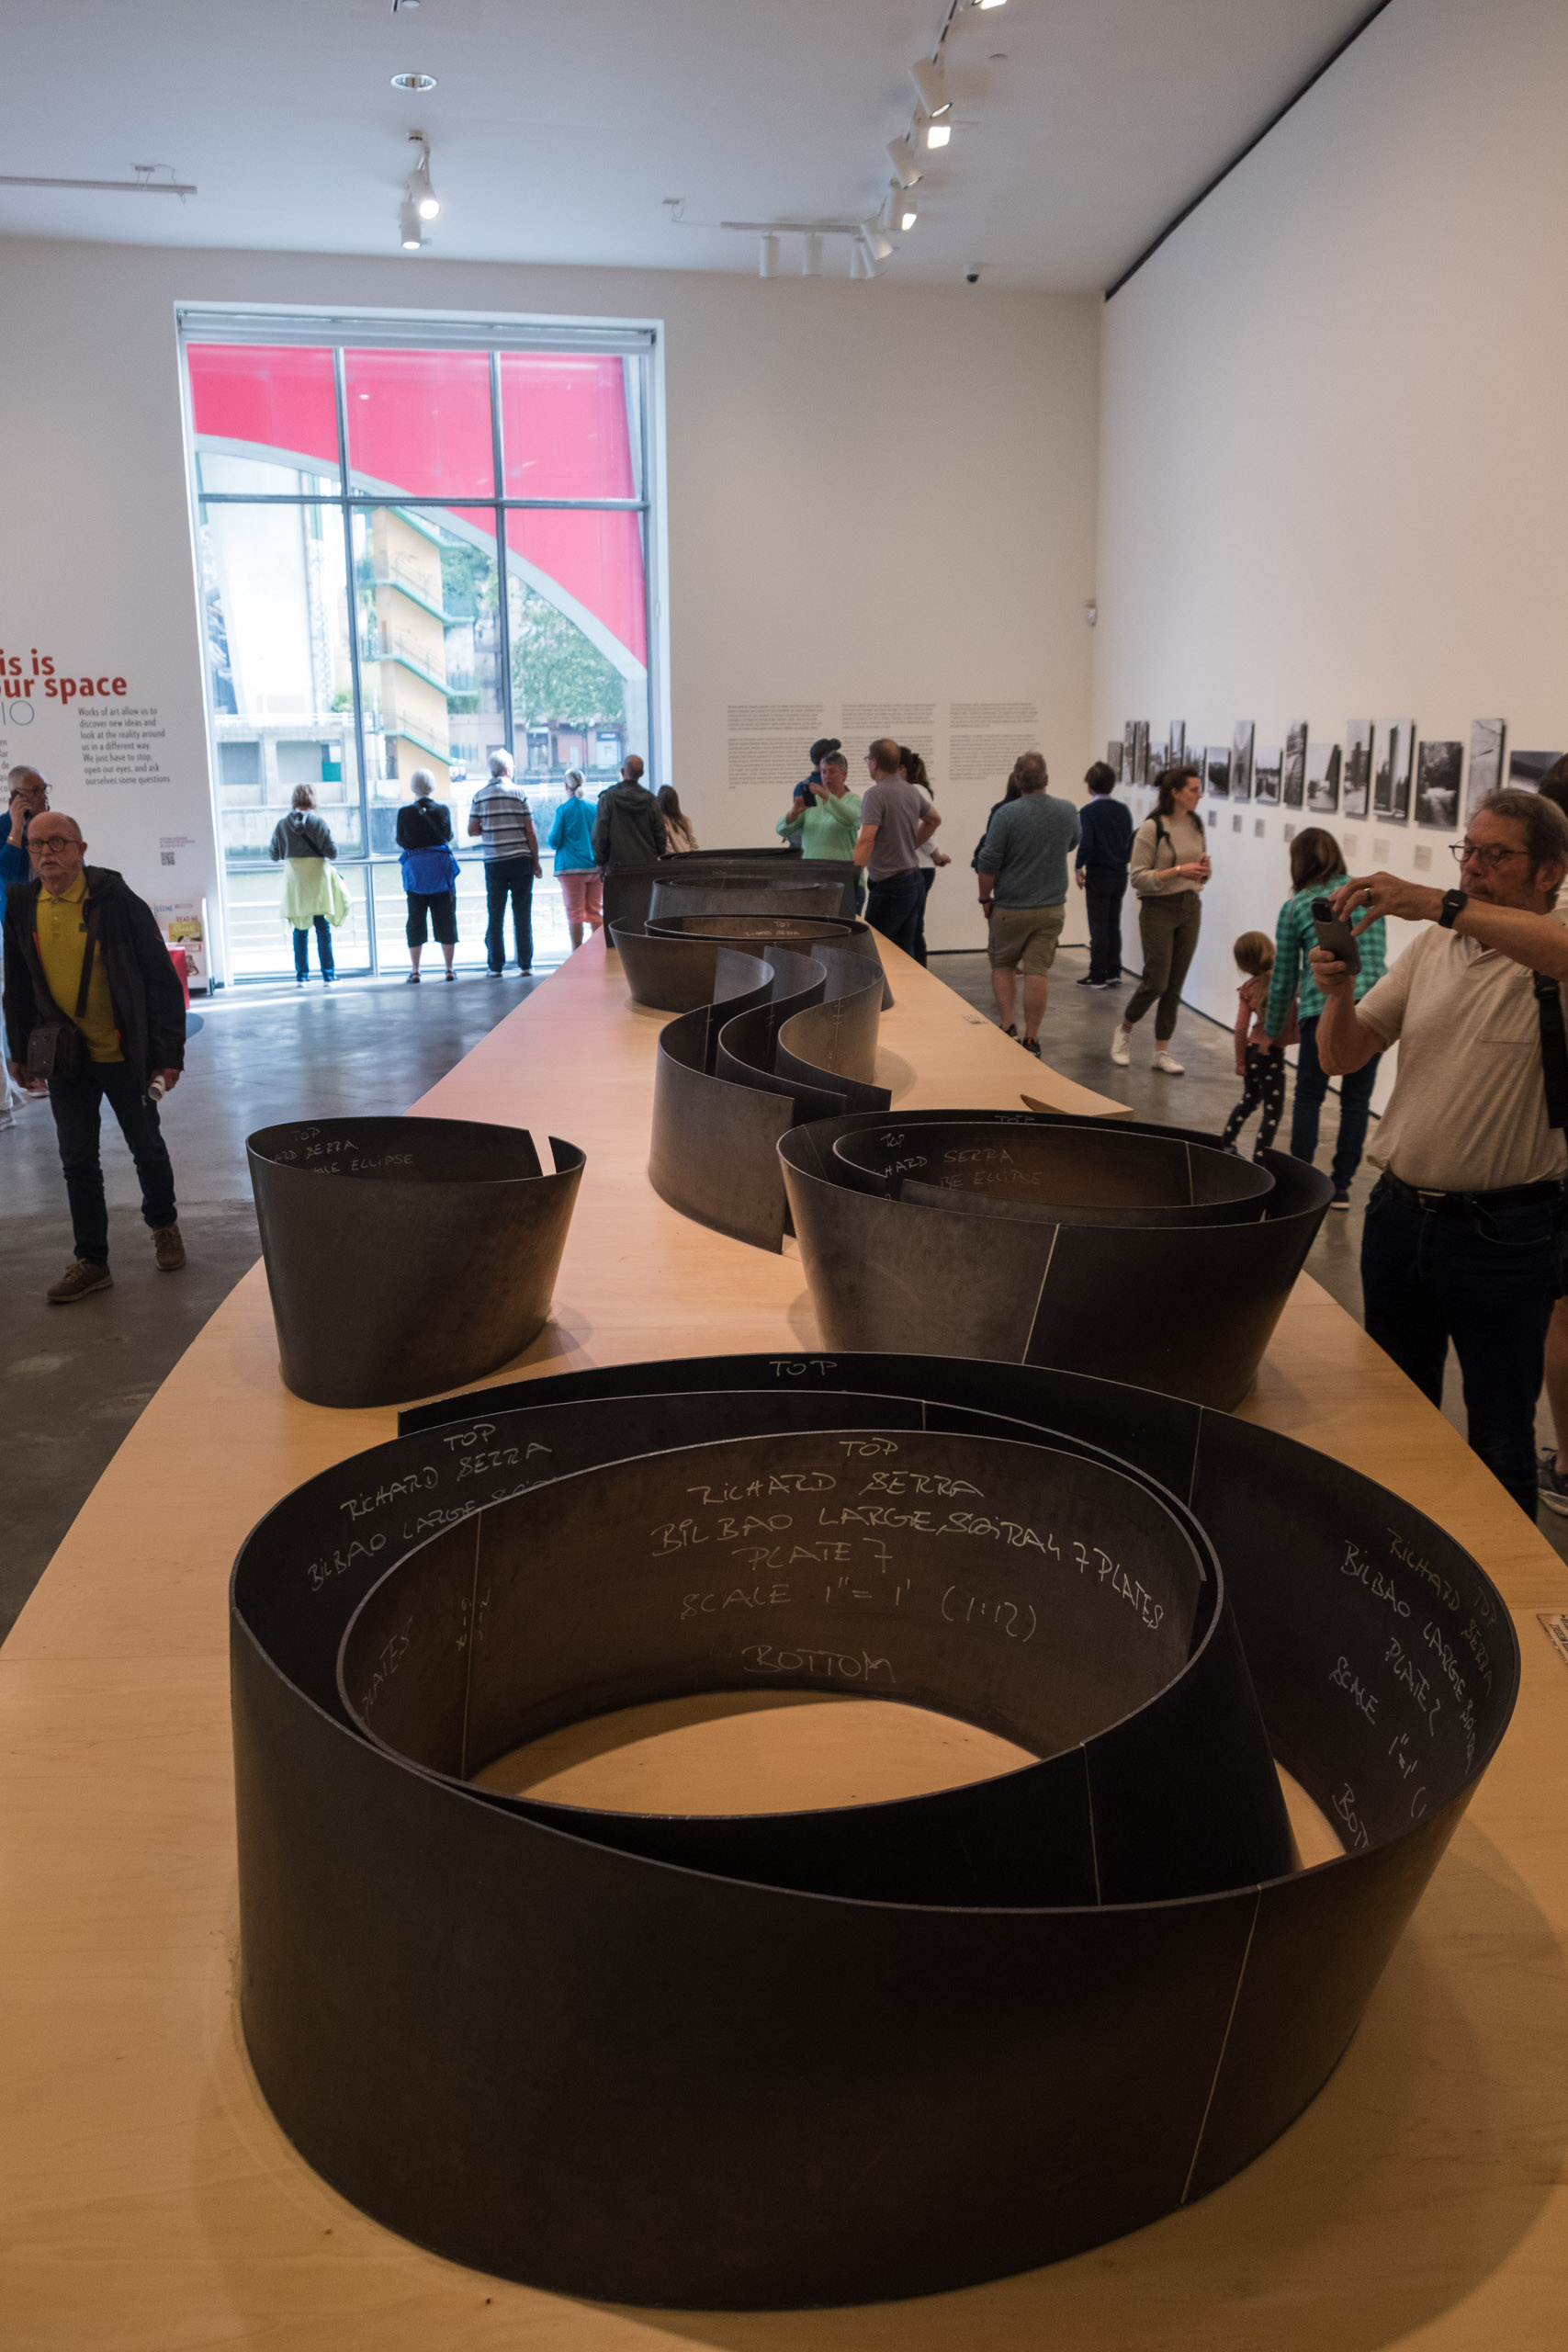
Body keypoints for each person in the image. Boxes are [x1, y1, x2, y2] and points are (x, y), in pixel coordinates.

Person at [1313, 788, 1568, 1521]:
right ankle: (1397, 1566)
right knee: (1395, 1416)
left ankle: (1502, 1584)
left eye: (1494, 855)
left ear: (1549, 872)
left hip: (1505, 1237)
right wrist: (1336, 993)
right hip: (1397, 1219)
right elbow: (1341, 1056)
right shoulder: (1435, 947)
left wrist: (1432, 901)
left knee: (1498, 1439)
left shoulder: (1551, 948)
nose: (1472, 867)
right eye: (1468, 850)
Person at [3, 811, 186, 1301]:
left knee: (146, 1147)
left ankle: (164, 1224)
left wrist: (168, 1054)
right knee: (77, 1161)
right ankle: (91, 1260)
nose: (46, 853)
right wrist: (19, 1050)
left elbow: (161, 982)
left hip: (125, 1053)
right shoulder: (22, 905)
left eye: (57, 842)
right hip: (66, 1058)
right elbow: (16, 986)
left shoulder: (115, 900)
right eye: (37, 844)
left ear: (81, 849)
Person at [1263, 826, 1386, 1207]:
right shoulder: (1365, 895)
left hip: (1323, 1008)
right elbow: (1376, 956)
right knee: (1356, 1101)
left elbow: (1284, 977)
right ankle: (1342, 1186)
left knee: (1309, 1096)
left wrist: (1271, 1031)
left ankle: (1302, 1181)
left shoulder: (1297, 906)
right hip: (1374, 1008)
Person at [974, 752, 1080, 1056]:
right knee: (1037, 972)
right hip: (1051, 907)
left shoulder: (1006, 815)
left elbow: (988, 862)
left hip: (1010, 907)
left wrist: (985, 899)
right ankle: (1032, 1038)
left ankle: (1008, 1026)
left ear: (1017, 781)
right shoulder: (1067, 810)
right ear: (1046, 778)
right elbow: (1073, 842)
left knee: (1003, 965)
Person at [1111, 763, 1210, 1074]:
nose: (1200, 795)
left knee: (1175, 985)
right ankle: (1124, 1030)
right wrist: (1178, 871)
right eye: (1194, 790)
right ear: (1176, 793)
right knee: (1156, 981)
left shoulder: (1195, 823)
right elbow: (1138, 877)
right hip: (1158, 909)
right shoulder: (1152, 828)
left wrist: (1203, 871)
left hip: (1190, 906)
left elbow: (1200, 875)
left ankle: (1161, 1051)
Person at [853, 738, 940, 956]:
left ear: (873, 763)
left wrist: (851, 877)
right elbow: (934, 820)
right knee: (904, 950)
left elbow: (866, 840)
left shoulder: (875, 795)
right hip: (912, 880)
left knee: (873, 949)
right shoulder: (911, 791)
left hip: (889, 886)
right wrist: (911, 844)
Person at [1220, 932, 1296, 1155]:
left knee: (1249, 1100)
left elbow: (1240, 1028)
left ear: (1243, 964)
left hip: (1252, 1052)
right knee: (1272, 1112)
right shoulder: (1284, 983)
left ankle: (1227, 1143)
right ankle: (1260, 1158)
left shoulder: (1248, 988)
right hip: (1271, 1054)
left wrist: (1240, 1061)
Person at [468, 748, 541, 977]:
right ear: (508, 770)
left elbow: (472, 830)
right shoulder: (519, 793)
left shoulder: (479, 795)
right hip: (521, 860)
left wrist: (491, 827)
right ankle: (526, 964)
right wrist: (536, 861)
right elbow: (530, 831)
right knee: (522, 913)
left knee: (495, 913)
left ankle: (495, 966)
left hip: (494, 861)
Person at [269, 784, 344, 984]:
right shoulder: (319, 823)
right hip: (317, 881)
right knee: (322, 929)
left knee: (300, 929)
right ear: (313, 800)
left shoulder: (282, 825)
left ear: (294, 800)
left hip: (295, 884)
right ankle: (329, 975)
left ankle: (302, 976)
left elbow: (274, 855)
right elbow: (333, 853)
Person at [1073, 760, 1133, 989]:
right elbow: (1129, 841)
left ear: (1090, 786)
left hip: (1099, 874)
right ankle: (1113, 971)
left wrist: (1079, 867)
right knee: (1112, 924)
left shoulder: (1088, 812)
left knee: (1098, 926)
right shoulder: (1122, 810)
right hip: (1120, 874)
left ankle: (1097, 974)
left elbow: (1086, 842)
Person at [396, 768, 459, 983]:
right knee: (446, 918)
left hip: (416, 873)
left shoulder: (404, 813)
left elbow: (400, 840)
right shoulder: (442, 811)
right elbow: (448, 836)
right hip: (440, 872)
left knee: (415, 920)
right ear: (432, 786)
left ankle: (415, 971)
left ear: (413, 787)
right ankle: (449, 969)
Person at [776, 750, 863, 904]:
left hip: (844, 881)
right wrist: (793, 814)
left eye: (832, 772)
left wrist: (827, 796)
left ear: (845, 775)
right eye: (823, 771)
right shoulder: (813, 802)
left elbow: (851, 820)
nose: (827, 776)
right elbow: (781, 830)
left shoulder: (855, 801)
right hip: (812, 880)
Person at [902, 747, 952, 967]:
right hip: (919, 865)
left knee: (913, 927)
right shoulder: (915, 789)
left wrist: (935, 854)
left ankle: (919, 972)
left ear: (902, 768)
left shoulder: (915, 790)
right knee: (911, 926)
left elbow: (926, 826)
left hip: (920, 865)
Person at [547, 768, 603, 950]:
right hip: (594, 867)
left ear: (566, 786)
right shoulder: (594, 808)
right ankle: (599, 951)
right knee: (595, 911)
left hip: (571, 869)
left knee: (575, 914)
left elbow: (554, 840)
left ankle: (577, 952)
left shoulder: (563, 810)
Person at [593, 752, 667, 868]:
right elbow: (660, 835)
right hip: (647, 866)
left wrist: (600, 861)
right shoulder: (651, 800)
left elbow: (600, 833)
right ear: (642, 773)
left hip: (616, 866)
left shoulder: (608, 798)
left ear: (622, 771)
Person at [1, 764, 48, 888]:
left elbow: (77, 868)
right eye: (36, 791)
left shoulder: (56, 825)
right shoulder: (2, 827)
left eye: (44, 789)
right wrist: (16, 829)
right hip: (18, 900)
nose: (44, 797)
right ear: (15, 795)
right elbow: (6, 875)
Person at [658, 786, 699, 854]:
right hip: (688, 858)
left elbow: (668, 849)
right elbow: (694, 845)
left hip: (675, 859)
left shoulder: (662, 822)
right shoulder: (685, 820)